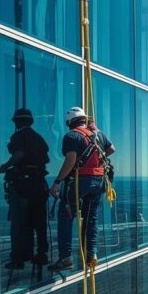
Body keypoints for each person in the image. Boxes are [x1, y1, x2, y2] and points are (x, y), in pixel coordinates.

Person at [50, 107, 115, 271]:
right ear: (84, 119)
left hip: (80, 181)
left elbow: (70, 160)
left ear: (70, 122)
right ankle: (91, 254)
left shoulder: (72, 135)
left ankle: (65, 258)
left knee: (66, 214)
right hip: (99, 182)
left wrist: (58, 181)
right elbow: (111, 149)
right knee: (91, 217)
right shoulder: (97, 134)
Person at [0, 108, 51, 270]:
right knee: (39, 222)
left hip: (23, 185)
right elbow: (46, 158)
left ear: (16, 122)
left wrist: (6, 166)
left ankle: (18, 258)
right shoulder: (38, 138)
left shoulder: (18, 136)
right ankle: (41, 254)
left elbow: (19, 154)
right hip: (38, 185)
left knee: (20, 223)